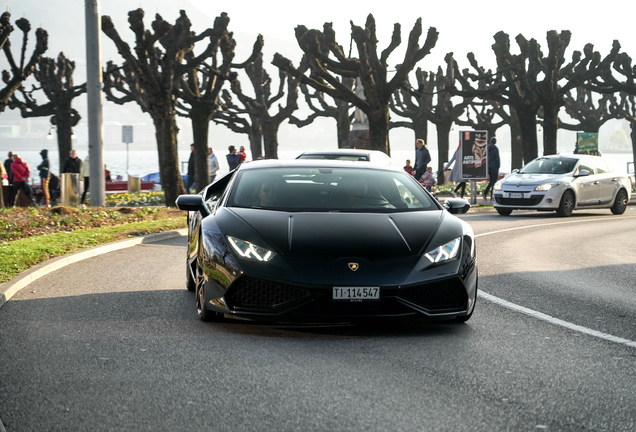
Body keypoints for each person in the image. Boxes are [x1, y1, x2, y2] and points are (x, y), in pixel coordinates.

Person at [483, 137, 500, 201]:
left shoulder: (487, 148)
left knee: (491, 181)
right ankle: (491, 196)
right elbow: (497, 158)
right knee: (494, 181)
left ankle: (485, 193)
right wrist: (498, 166)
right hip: (494, 167)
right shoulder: (495, 149)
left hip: (488, 166)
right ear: (495, 142)